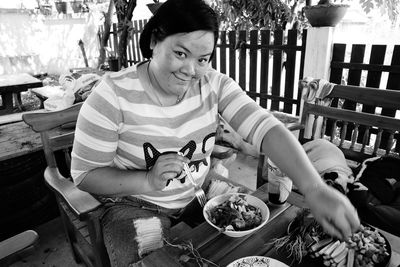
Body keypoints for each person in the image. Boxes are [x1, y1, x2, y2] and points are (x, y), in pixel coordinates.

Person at [70, 0, 360, 265]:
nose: (191, 70)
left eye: (203, 59)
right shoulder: (112, 95)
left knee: (254, 247)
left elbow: (265, 127)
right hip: (135, 204)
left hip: (199, 194)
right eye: (180, 53)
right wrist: (147, 179)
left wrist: (315, 188)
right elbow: (85, 176)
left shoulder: (213, 84)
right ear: (155, 40)